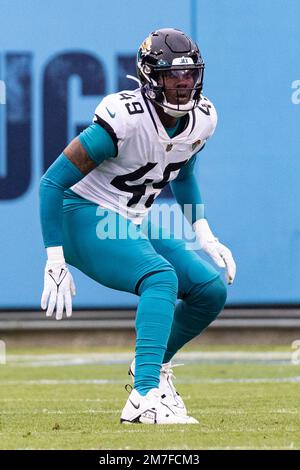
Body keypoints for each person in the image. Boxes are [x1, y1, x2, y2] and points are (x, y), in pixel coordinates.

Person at [40, 28, 236, 424]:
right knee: (160, 276)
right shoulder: (125, 119)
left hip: (133, 216)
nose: (183, 84)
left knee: (208, 290)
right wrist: (54, 258)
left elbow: (183, 174)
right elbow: (52, 182)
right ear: (150, 77)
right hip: (82, 213)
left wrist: (203, 231)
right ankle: (143, 399)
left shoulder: (203, 119)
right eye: (172, 76)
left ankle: (152, 367)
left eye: (189, 74)